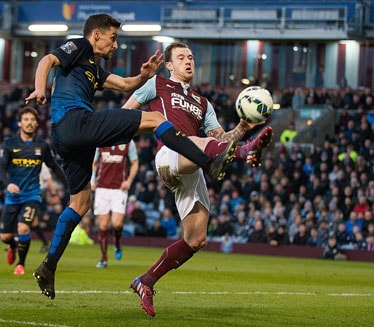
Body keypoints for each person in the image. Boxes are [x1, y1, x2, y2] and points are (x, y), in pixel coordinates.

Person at [25, 14, 235, 300]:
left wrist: (144, 76)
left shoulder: (93, 69)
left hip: (68, 141)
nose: (115, 45)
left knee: (80, 203)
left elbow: (125, 85)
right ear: (96, 34)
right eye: (113, 38)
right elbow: (47, 61)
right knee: (154, 117)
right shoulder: (79, 47)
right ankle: (207, 161)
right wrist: (40, 87)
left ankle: (49, 266)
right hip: (75, 123)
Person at [122, 41, 273, 317]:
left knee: (196, 240)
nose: (188, 61)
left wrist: (241, 128)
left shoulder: (203, 103)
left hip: (194, 165)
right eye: (181, 57)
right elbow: (125, 115)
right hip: (169, 154)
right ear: (169, 65)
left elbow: (219, 140)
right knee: (195, 142)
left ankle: (146, 281)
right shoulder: (156, 84)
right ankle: (245, 153)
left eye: (190, 57)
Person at [0, 107, 67, 275]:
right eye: (26, 119)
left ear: (36, 124)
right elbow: (1, 167)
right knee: (5, 237)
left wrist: (68, 184)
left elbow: (54, 166)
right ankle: (13, 246)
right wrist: (8, 184)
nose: (29, 122)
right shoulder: (9, 144)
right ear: (20, 123)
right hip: (13, 196)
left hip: (32, 195)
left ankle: (20, 264)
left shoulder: (42, 146)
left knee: (23, 228)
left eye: (32, 120)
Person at [91, 140, 139, 268]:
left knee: (117, 224)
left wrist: (129, 181)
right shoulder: (100, 140)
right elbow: (94, 162)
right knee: (104, 224)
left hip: (119, 189)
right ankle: (104, 258)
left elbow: (134, 163)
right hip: (102, 188)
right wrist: (92, 179)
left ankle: (117, 242)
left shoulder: (128, 142)